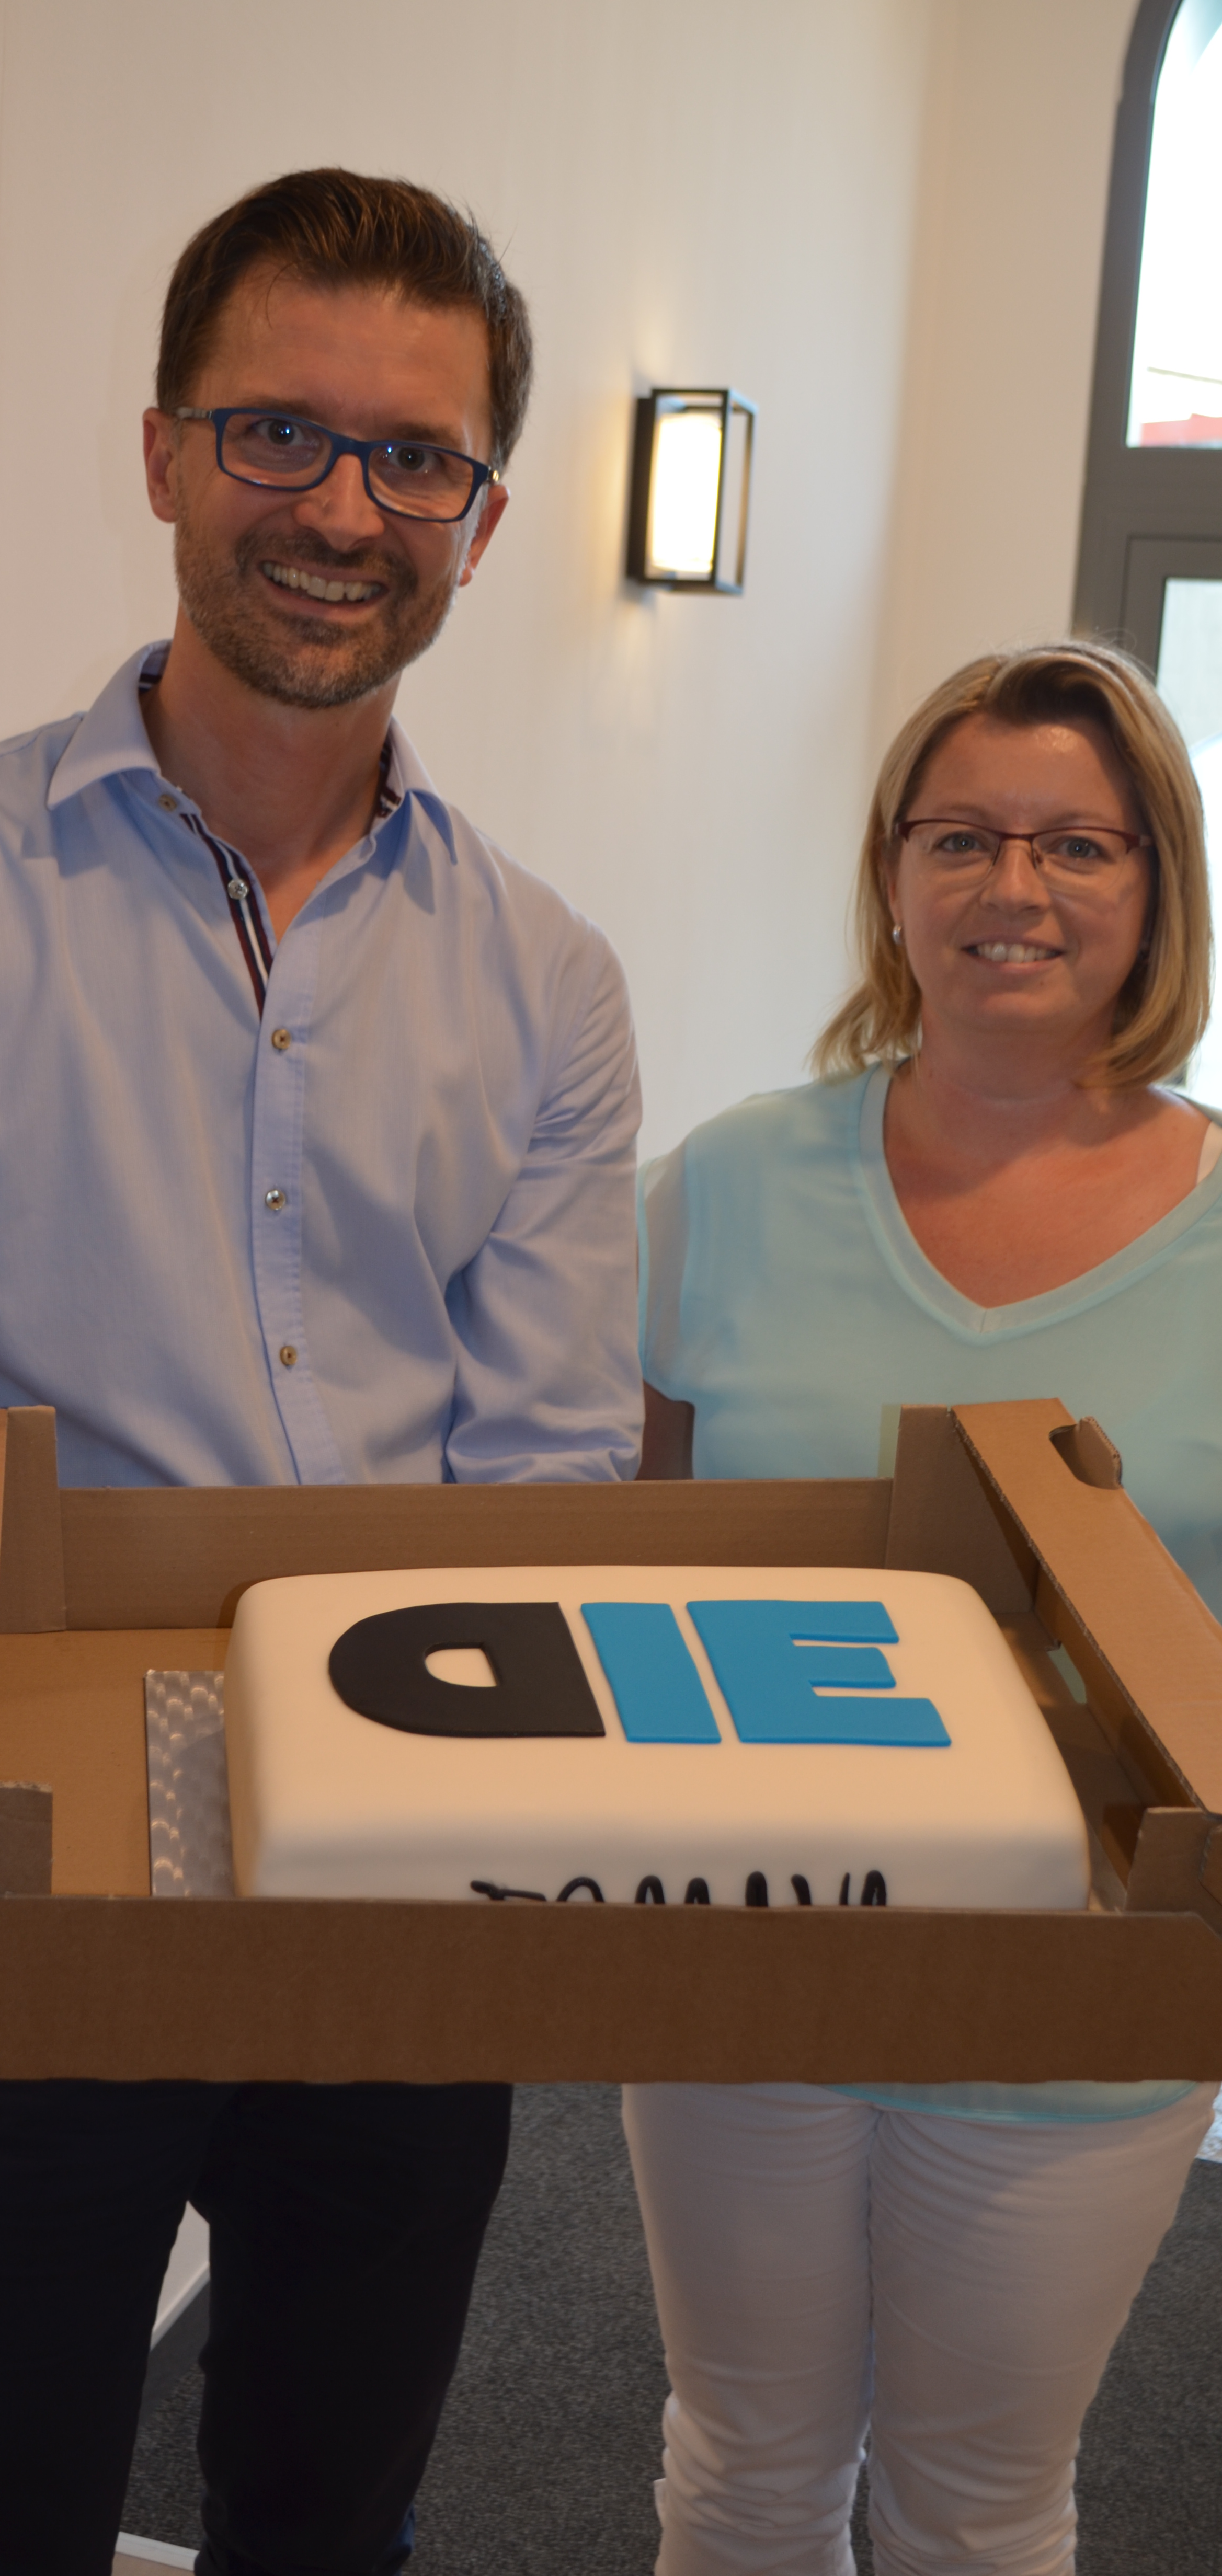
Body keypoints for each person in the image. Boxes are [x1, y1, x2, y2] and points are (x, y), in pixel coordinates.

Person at [0, 169, 644, 2576]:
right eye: (279, 431)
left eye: (414, 457)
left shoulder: (549, 979)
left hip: (411, 1848)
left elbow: (546, 1461)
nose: (341, 509)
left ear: (482, 519)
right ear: (164, 450)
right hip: (12, 1833)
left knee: (334, 2507)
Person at [629, 638, 1220, 2576]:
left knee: (978, 2508)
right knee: (742, 2471)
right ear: (892, 876)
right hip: (744, 1953)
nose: (1012, 888)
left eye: (1078, 845)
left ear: (1159, 887)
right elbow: (624, 1554)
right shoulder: (725, 1188)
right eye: (959, 837)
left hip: (1091, 1993)